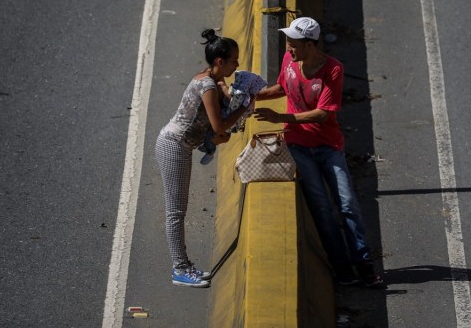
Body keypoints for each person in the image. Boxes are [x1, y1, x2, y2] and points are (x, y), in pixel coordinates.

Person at [254, 17, 383, 287]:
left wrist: (281, 119)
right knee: (322, 209)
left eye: (294, 44)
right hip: (299, 147)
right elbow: (281, 86)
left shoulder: (332, 70)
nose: (288, 48)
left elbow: (324, 114)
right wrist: (252, 97)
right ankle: (342, 268)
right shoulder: (290, 61)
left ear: (310, 45)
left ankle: (363, 262)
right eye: (288, 42)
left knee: (347, 204)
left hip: (328, 147)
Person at [155, 29, 251, 288]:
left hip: (181, 145)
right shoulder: (207, 85)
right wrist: (244, 108)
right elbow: (219, 127)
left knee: (178, 210)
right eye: (234, 60)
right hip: (174, 146)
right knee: (175, 211)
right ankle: (180, 269)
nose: (237, 64)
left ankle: (184, 265)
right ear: (220, 62)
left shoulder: (211, 79)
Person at [196, 70, 268, 164]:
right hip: (230, 123)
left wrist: (223, 86)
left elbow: (231, 98)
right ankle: (208, 149)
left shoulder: (240, 94)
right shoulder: (247, 97)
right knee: (214, 138)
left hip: (226, 120)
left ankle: (209, 152)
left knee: (211, 138)